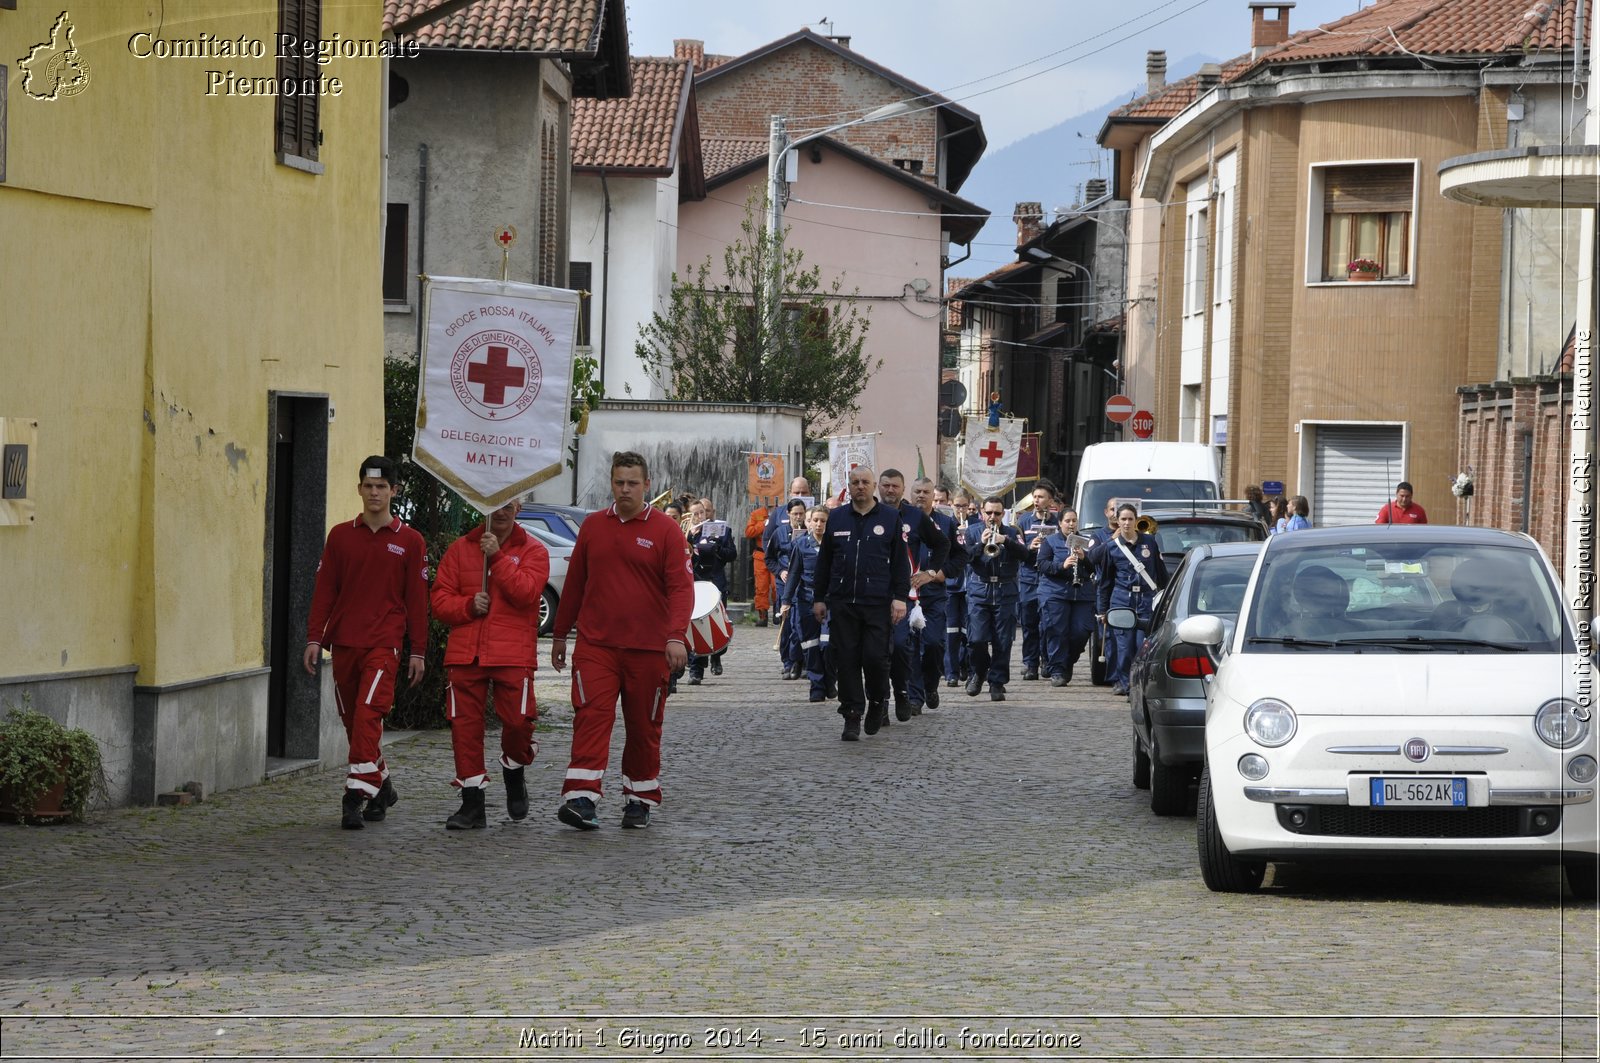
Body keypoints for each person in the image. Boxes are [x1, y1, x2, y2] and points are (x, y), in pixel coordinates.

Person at [551, 451, 694, 830]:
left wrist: (676, 636)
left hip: (649, 650)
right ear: (611, 483)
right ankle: (581, 797)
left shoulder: (666, 530)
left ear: (647, 485)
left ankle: (639, 799)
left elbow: (682, 589)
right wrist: (560, 634)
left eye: (633, 483)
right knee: (591, 718)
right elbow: (576, 583)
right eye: (619, 482)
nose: (625, 489)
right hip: (596, 646)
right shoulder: (594, 527)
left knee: (643, 727)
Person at [303, 455, 430, 831]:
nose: (374, 493)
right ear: (360, 489)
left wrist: (418, 650)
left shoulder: (410, 541)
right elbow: (324, 591)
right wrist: (314, 637)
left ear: (394, 490)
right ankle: (382, 786)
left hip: (384, 644)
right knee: (353, 722)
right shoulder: (340, 536)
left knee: (368, 714)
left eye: (382, 487)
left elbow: (417, 600)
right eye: (368, 486)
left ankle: (354, 796)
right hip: (344, 644)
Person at [430, 497, 550, 830]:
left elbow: (526, 593)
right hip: (465, 653)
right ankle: (472, 805)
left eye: (508, 504)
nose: (501, 510)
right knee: (464, 729)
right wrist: (468, 605)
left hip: (512, 653)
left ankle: (514, 769)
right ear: (483, 506)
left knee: (518, 723)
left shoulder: (533, 550)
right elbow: (439, 600)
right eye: (495, 503)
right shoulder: (460, 549)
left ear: (519, 508)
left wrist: (496, 555)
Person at [813, 466, 910, 740]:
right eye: (855, 482)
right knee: (846, 659)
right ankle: (852, 714)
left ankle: (878, 702)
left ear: (873, 485)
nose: (860, 487)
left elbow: (901, 564)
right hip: (843, 601)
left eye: (865, 482)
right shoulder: (838, 517)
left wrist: (900, 598)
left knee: (876, 659)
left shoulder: (891, 518)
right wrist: (819, 598)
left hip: (877, 602)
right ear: (849, 485)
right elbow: (825, 562)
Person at [880, 468, 949, 721]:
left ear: (902, 488)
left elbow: (943, 544)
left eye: (894, 486)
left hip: (908, 595)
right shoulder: (870, 515)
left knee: (905, 647)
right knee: (876, 652)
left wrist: (931, 572)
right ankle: (880, 701)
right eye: (885, 485)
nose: (890, 490)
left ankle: (908, 692)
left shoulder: (915, 516)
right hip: (873, 594)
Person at [1096, 502, 1170, 696]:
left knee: (1141, 646)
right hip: (1122, 600)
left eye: (1130, 519)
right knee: (1124, 646)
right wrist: (1103, 610)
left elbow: (1160, 573)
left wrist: (1167, 597)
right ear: (1117, 521)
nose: (1127, 523)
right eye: (1123, 519)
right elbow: (1105, 581)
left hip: (1146, 600)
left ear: (1136, 520)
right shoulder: (1111, 547)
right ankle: (1126, 684)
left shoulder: (1149, 542)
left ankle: (1139, 684)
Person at [964, 496, 1031, 701]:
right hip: (979, 590)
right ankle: (979, 671)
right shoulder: (972, 531)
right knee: (976, 639)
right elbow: (965, 557)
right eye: (989, 513)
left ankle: (997, 682)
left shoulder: (1012, 532)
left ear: (1004, 514)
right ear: (982, 513)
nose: (993, 517)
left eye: (997, 513)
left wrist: (1006, 541)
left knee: (1003, 641)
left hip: (1005, 591)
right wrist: (981, 543)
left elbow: (1027, 556)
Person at [904, 475, 959, 714]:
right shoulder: (900, 519)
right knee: (910, 647)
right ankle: (915, 697)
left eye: (926, 492)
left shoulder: (946, 523)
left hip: (934, 594)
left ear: (933, 496)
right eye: (917, 491)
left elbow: (960, 555)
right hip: (906, 594)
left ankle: (930, 685)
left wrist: (941, 572)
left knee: (934, 643)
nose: (921, 496)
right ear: (910, 493)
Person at [1037, 507, 1096, 687]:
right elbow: (1041, 564)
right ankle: (1057, 669)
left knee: (1081, 631)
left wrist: (1084, 558)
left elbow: (1095, 566)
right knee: (1057, 630)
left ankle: (1067, 661)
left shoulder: (1087, 542)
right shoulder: (1051, 541)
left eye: (1074, 521)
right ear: (1060, 523)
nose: (1071, 524)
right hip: (1055, 592)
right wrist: (1061, 565)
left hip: (1082, 593)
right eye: (1068, 521)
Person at [781, 506, 836, 702]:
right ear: (809, 522)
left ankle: (830, 679)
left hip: (830, 602)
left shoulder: (835, 544)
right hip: (806, 602)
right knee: (811, 645)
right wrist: (786, 601)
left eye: (823, 521)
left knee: (828, 645)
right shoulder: (801, 545)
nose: (819, 524)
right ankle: (817, 686)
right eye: (816, 520)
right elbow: (794, 574)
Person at [687, 497, 737, 684]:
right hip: (695, 582)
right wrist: (690, 538)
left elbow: (732, 555)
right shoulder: (686, 534)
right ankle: (696, 670)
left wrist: (717, 548)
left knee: (719, 623)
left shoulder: (723, 531)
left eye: (703, 512)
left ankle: (716, 656)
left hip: (716, 582)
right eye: (696, 514)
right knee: (695, 625)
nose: (700, 517)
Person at [1015, 481, 1059, 681]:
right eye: (1035, 497)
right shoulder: (1024, 521)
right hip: (1029, 579)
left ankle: (1047, 661)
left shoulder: (1058, 522)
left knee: (1048, 623)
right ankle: (1030, 663)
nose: (1037, 500)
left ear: (1050, 500)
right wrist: (1030, 548)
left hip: (1050, 579)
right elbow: (1018, 550)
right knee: (1029, 623)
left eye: (1041, 497)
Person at [766, 499, 808, 679]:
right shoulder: (779, 533)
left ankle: (801, 661)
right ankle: (787, 661)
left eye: (801, 513)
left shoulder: (809, 532)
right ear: (789, 514)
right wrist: (780, 571)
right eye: (795, 513)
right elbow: (769, 559)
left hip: (802, 581)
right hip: (785, 581)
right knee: (787, 622)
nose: (798, 517)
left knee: (800, 624)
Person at [944, 493, 978, 686]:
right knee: (951, 631)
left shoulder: (975, 525)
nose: (961, 510)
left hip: (971, 584)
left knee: (969, 631)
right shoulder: (947, 525)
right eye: (957, 506)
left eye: (964, 506)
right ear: (952, 506)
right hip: (951, 585)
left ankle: (967, 666)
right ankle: (951, 672)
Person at [745, 504, 772, 627]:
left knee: (778, 587)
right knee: (761, 587)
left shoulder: (784, 512)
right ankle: (763, 616)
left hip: (777, 555)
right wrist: (764, 524)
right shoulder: (757, 514)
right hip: (761, 555)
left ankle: (779, 612)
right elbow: (749, 532)